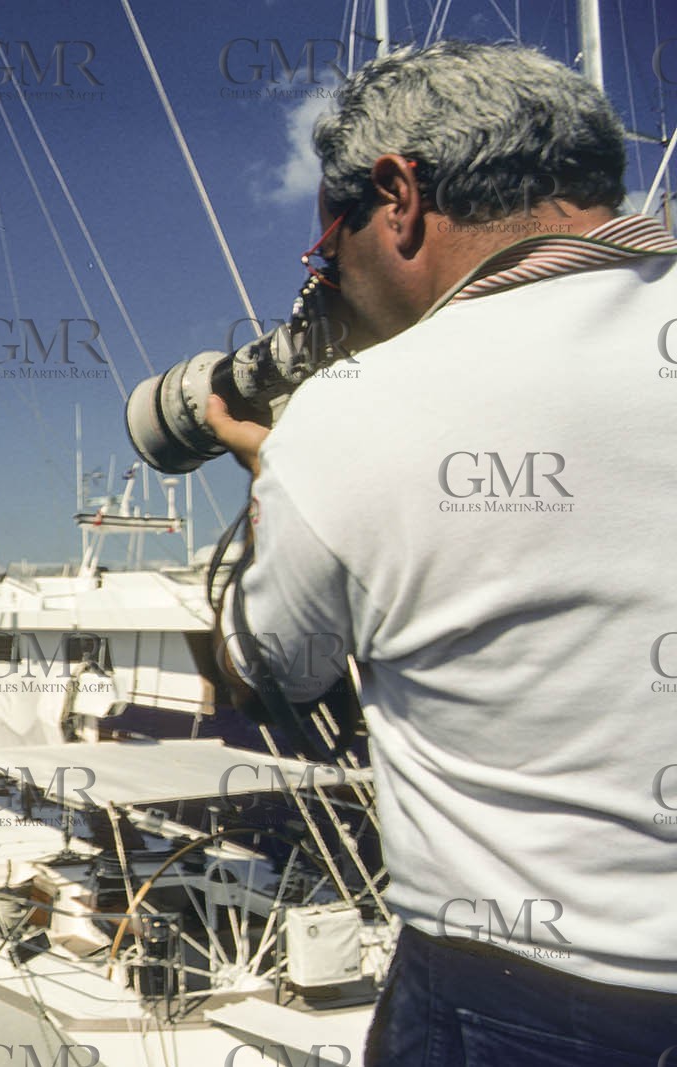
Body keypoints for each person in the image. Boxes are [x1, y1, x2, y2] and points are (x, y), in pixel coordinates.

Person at [203, 41, 677, 1065]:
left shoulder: (354, 416)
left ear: (399, 194)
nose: (329, 279)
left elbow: (265, 665)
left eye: (327, 251)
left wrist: (267, 465)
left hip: (524, 1003)